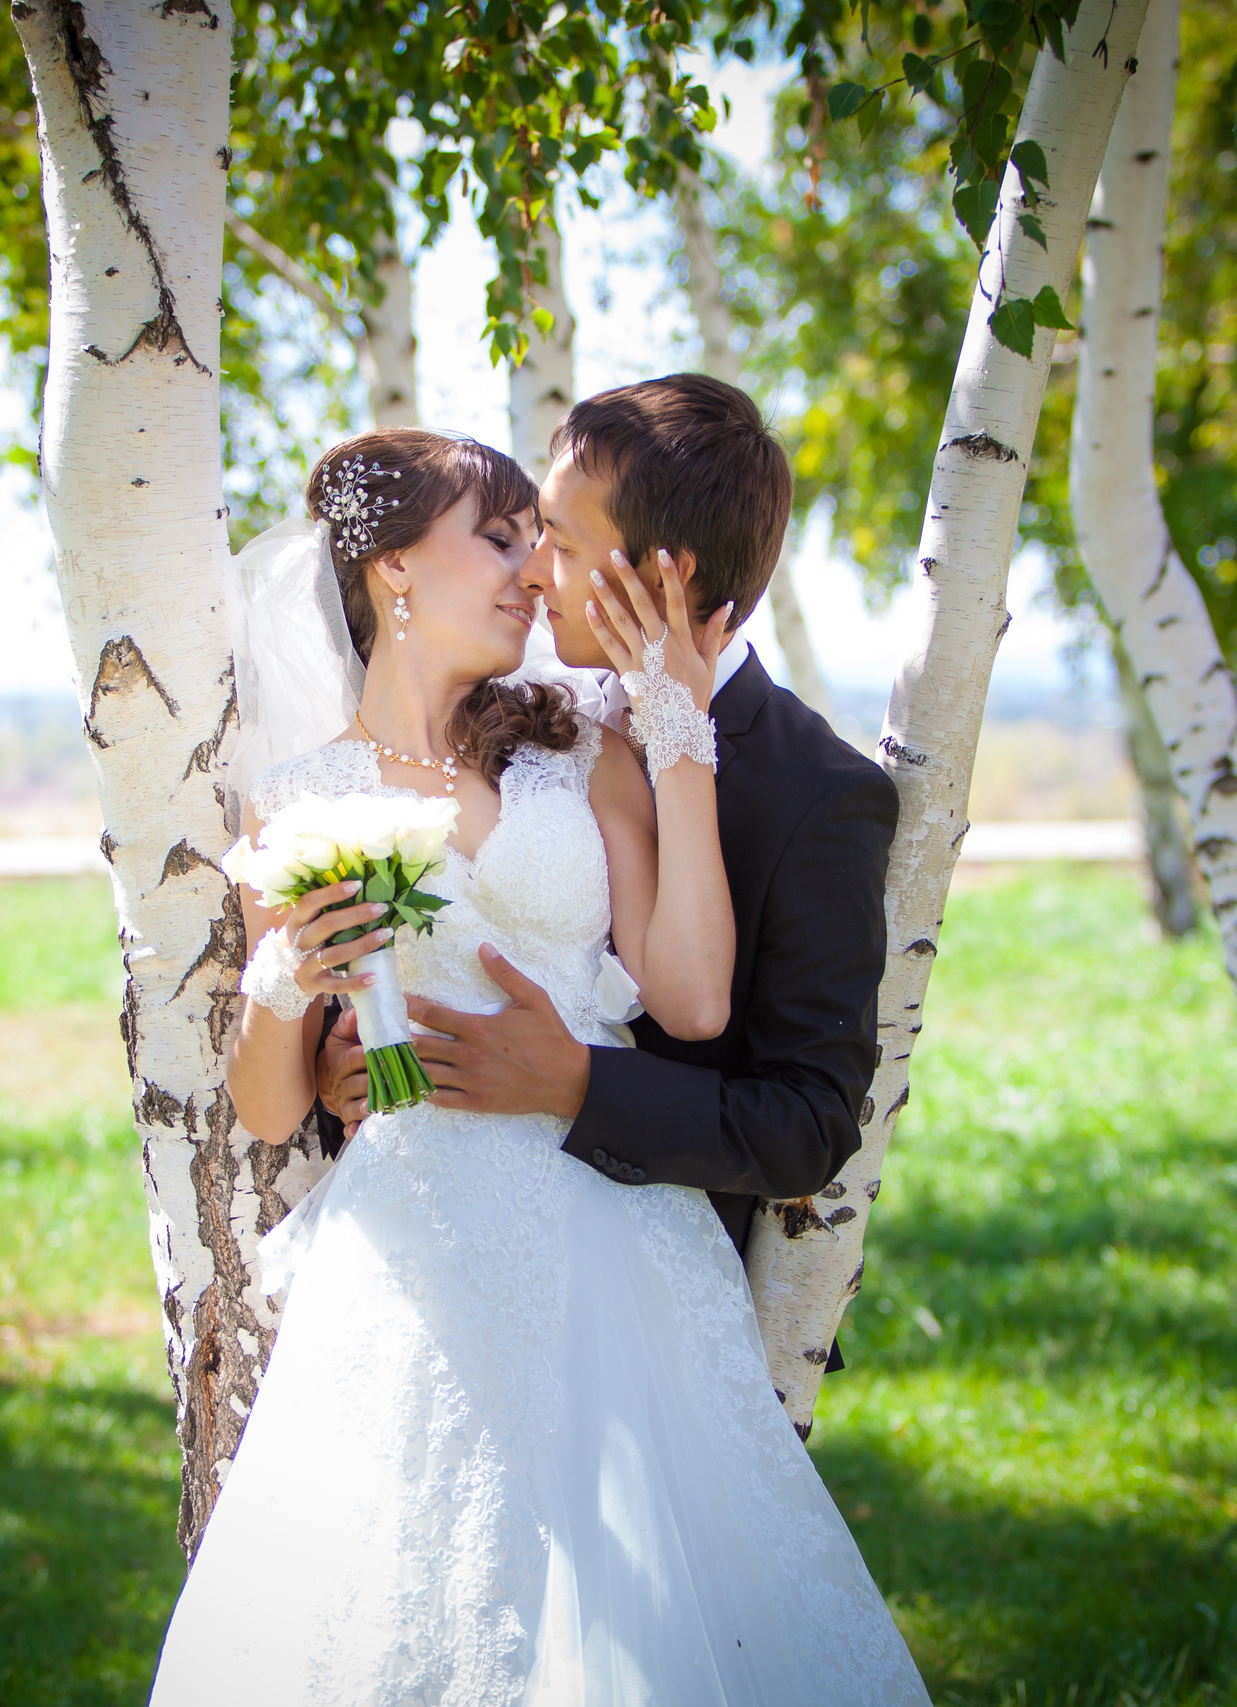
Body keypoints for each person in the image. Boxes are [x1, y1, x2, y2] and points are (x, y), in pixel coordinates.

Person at [151, 410, 926, 1703]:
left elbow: (687, 1000)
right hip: (421, 1248)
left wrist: (678, 743)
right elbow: (272, 1105)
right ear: (395, 570)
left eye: (542, 538)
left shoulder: (579, 744)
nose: (530, 570)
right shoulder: (298, 797)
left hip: (619, 1231)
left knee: (653, 1612)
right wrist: (289, 981)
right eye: (502, 538)